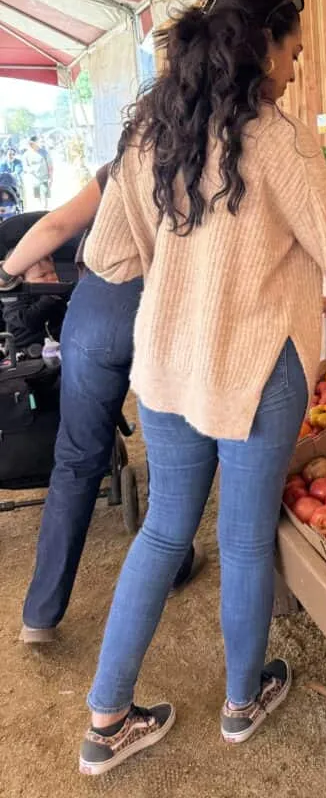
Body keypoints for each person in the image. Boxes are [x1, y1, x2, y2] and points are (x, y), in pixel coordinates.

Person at [77, 0, 326, 776]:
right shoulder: (278, 138)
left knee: (164, 531)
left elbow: (109, 253)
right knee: (241, 540)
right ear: (262, 48)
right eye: (294, 52)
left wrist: (187, 266)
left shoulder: (149, 135)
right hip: (257, 375)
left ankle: (106, 721)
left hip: (167, 372)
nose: (296, 70)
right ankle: (242, 703)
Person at [0, 169, 205, 646]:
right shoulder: (215, 153)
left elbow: (56, 227)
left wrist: (8, 273)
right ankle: (173, 563)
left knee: (75, 461)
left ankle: (41, 613)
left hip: (95, 311)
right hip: (162, 313)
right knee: (165, 447)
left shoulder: (128, 157)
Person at [0, 251, 67, 349]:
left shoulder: (57, 295)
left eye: (53, 272)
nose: (51, 278)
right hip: (24, 355)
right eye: (42, 276)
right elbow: (28, 321)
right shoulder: (14, 300)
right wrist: (48, 299)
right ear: (21, 281)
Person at [24, 136, 53, 209]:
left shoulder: (44, 152)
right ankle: (40, 208)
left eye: (32, 144)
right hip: (34, 178)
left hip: (44, 177)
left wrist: (51, 177)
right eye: (30, 144)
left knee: (45, 194)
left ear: (36, 143)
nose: (31, 145)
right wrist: (29, 170)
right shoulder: (27, 154)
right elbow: (25, 166)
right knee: (37, 196)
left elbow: (50, 165)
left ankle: (45, 208)